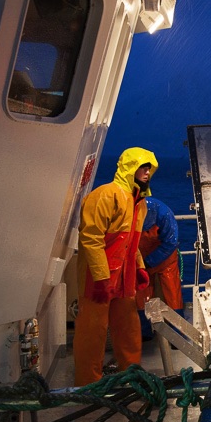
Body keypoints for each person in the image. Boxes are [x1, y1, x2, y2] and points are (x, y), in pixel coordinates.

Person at [73, 147, 158, 386]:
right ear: (129, 168)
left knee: (129, 327)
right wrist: (101, 278)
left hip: (124, 277)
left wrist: (140, 268)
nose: (147, 172)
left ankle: (131, 374)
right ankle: (88, 383)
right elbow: (90, 238)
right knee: (93, 331)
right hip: (97, 278)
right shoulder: (104, 195)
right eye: (143, 167)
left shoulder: (139, 204)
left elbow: (131, 242)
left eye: (150, 168)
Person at [135, 196, 183, 340]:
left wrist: (150, 261)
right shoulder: (130, 212)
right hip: (141, 260)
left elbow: (171, 241)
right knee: (141, 295)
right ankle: (145, 332)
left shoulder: (164, 214)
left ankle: (177, 335)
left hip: (165, 259)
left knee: (172, 293)